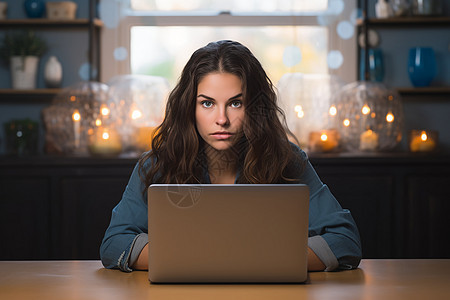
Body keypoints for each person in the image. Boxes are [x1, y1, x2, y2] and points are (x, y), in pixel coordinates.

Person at [100, 40, 361, 272]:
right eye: (207, 103)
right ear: (189, 107)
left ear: (254, 107)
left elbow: (345, 241)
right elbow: (114, 244)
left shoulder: (286, 159)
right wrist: (215, 260)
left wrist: (255, 263)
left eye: (236, 103)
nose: (222, 119)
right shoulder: (156, 163)